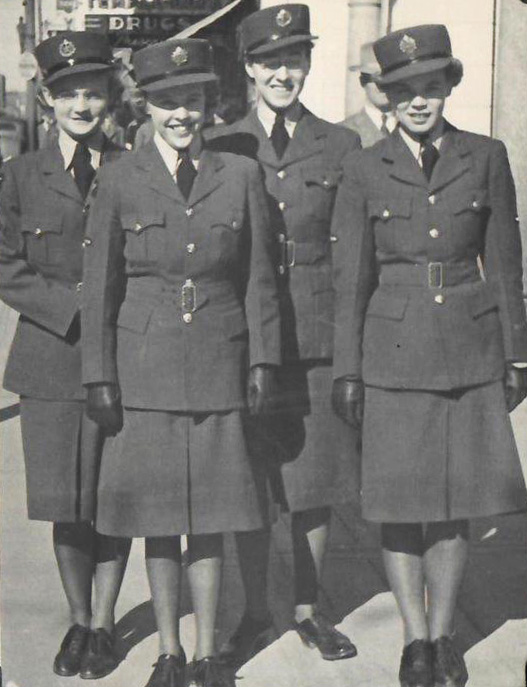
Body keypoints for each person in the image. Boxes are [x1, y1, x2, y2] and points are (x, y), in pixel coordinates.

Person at [331, 24, 527, 687]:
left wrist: (516, 354)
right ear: (386, 98)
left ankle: (442, 635)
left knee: (453, 502)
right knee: (397, 503)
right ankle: (413, 638)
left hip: (468, 352)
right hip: (390, 352)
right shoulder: (362, 166)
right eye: (405, 90)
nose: (419, 101)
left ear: (449, 86)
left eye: (430, 86)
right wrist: (347, 368)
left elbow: (503, 263)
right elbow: (350, 278)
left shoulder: (485, 155)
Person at [81, 38, 280, 687]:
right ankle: (167, 651)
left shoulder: (239, 174)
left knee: (213, 517)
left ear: (207, 103)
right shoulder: (119, 177)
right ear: (149, 106)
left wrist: (263, 362)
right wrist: (99, 374)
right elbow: (99, 282)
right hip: (146, 368)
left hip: (221, 362)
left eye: (190, 101)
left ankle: (206, 653)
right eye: (167, 102)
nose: (180, 114)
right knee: (160, 522)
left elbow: (258, 279)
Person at [208, 4, 361, 664]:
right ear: (248, 69)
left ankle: (306, 606)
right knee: (249, 478)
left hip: (317, 334)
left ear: (307, 64)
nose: (282, 72)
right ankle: (253, 610)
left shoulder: (340, 144)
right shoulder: (222, 142)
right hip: (242, 334)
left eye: (293, 59)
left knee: (314, 480)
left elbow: (355, 250)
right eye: (269, 61)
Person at [0, 32, 131, 679]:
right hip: (50, 362)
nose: (82, 103)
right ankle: (78, 619)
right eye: (68, 91)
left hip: (125, 361)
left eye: (94, 90)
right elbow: (3, 261)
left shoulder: (134, 166)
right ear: (47, 99)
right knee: (65, 501)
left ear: (109, 96)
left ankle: (105, 623)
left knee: (114, 497)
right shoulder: (19, 176)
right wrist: (70, 306)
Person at [340, 41, 396, 147]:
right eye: (374, 79)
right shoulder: (341, 132)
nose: (382, 85)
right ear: (363, 81)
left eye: (388, 77)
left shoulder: (414, 128)